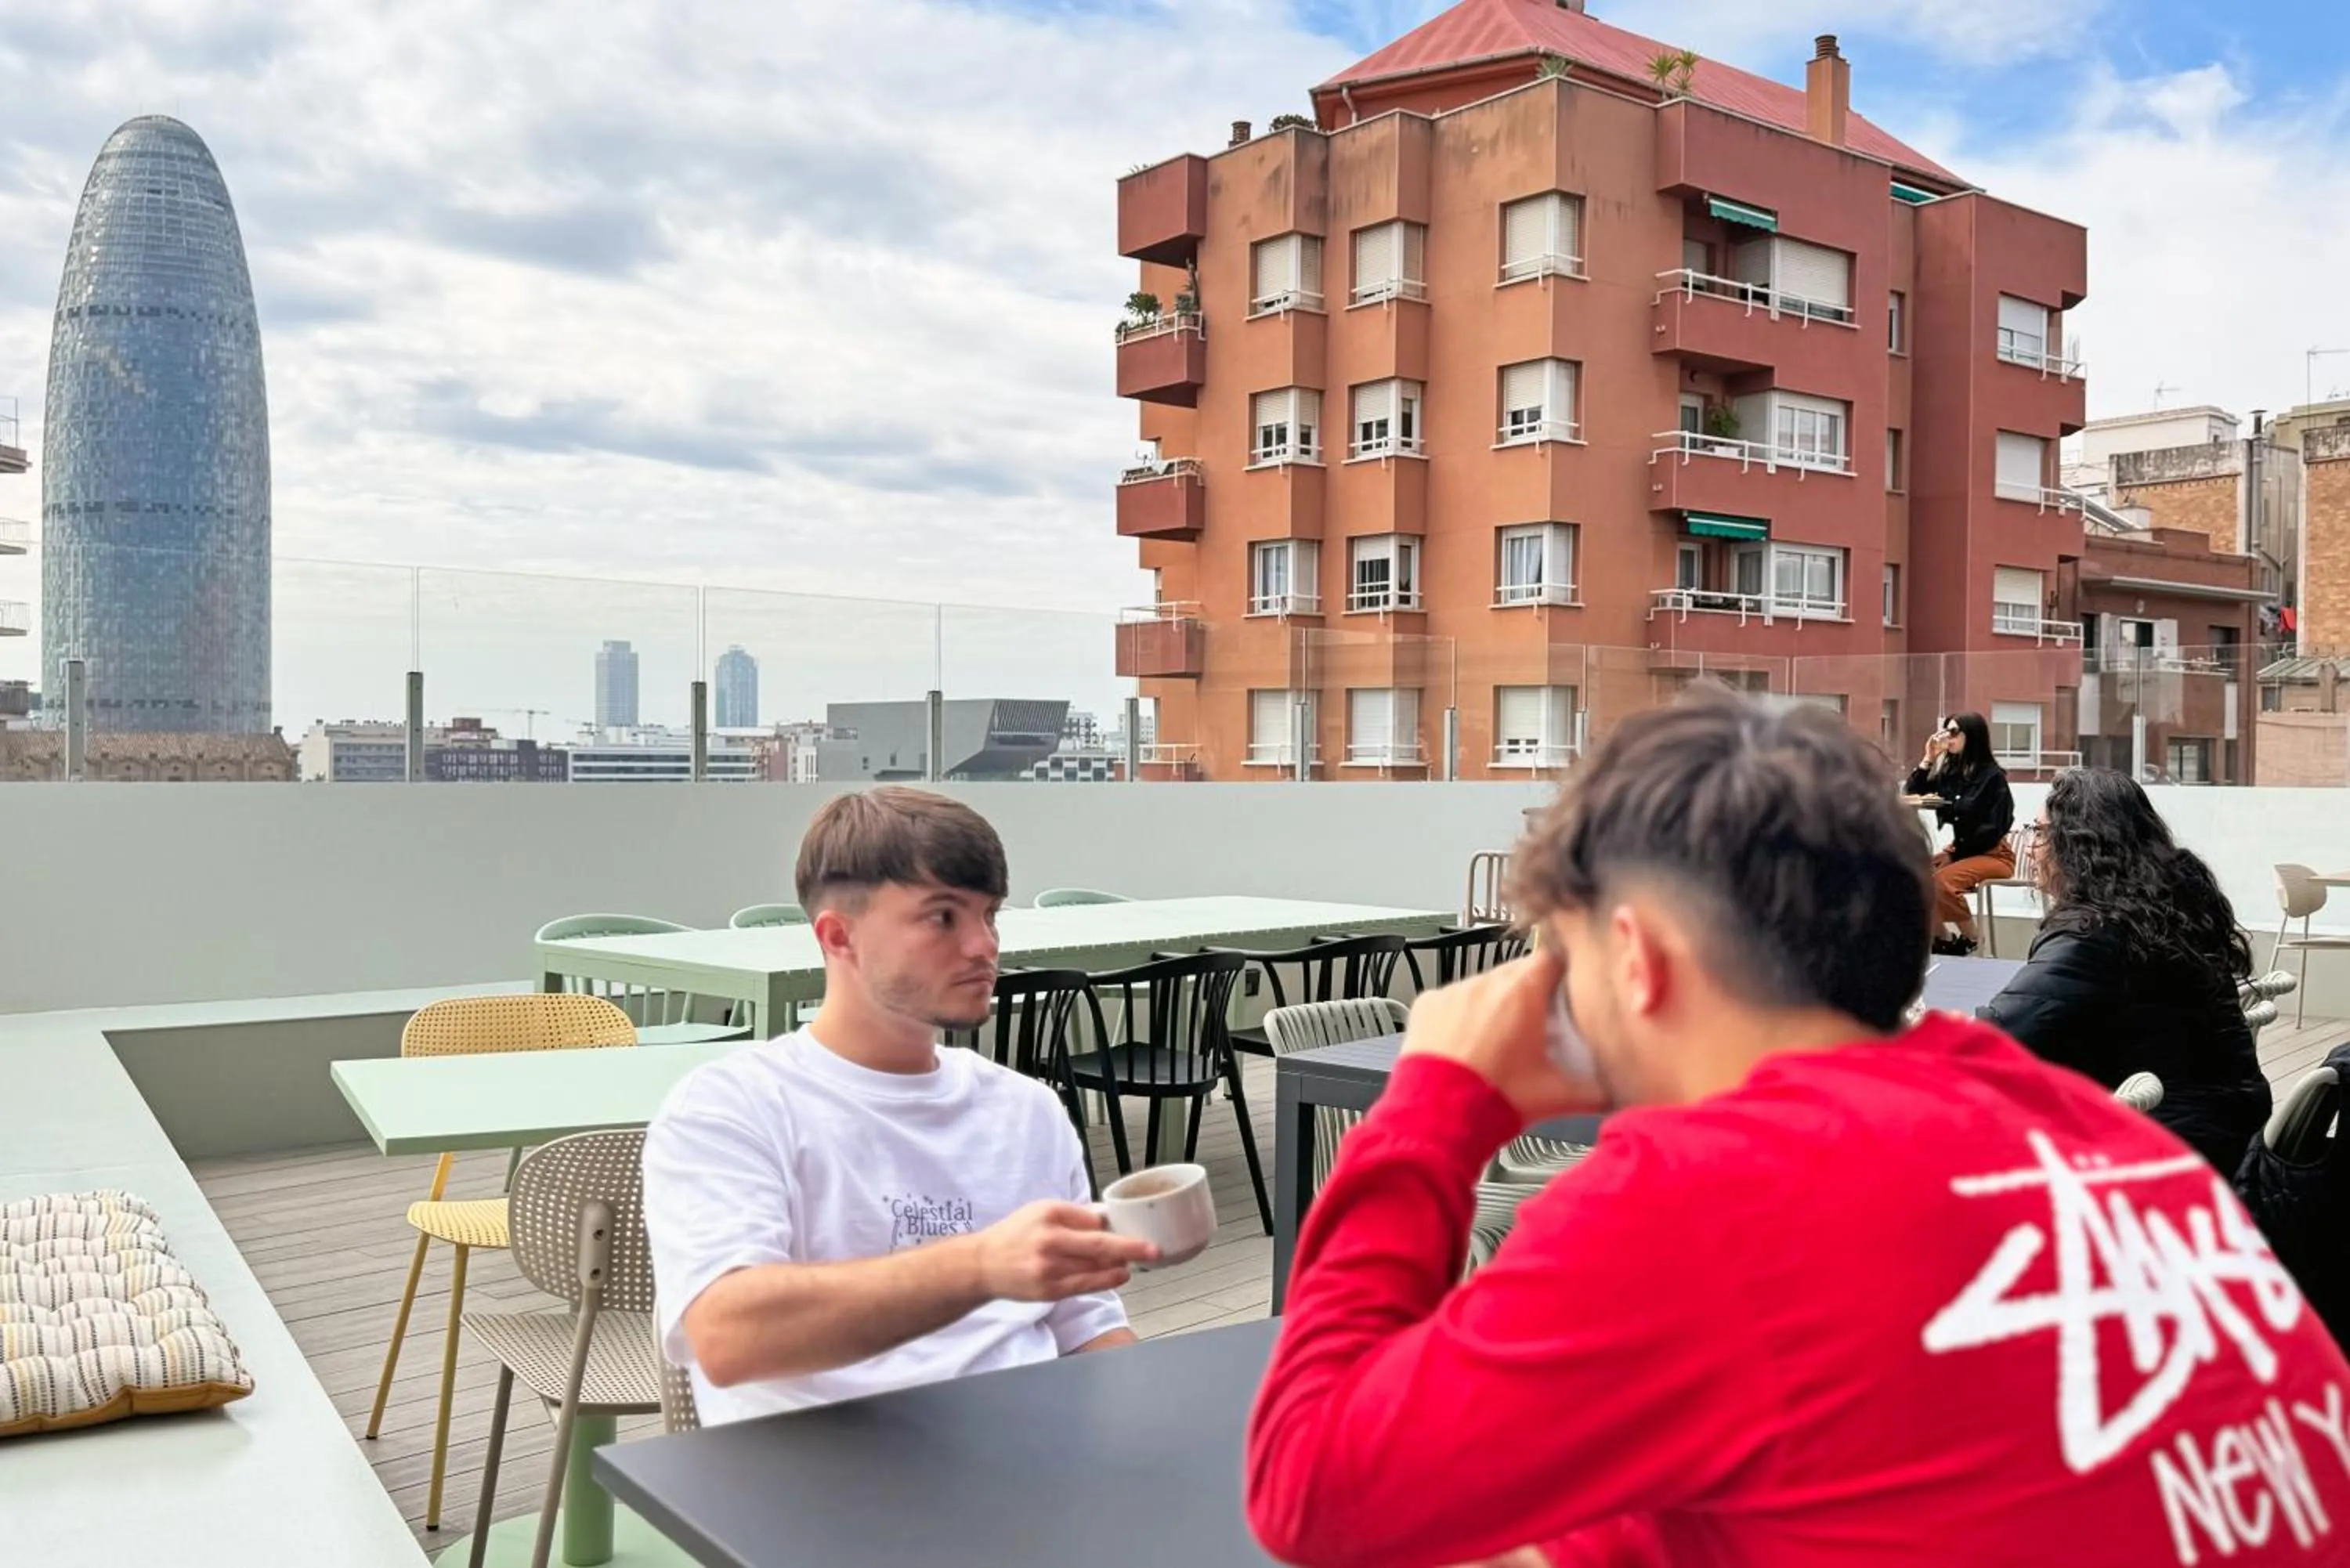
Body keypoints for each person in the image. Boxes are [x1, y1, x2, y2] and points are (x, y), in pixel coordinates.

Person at [1246, 689, 2350, 1568]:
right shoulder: (2096, 1139)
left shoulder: (1698, 1196)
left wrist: (1435, 1096)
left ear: (1633, 958)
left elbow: (1310, 1487)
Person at [642, 787, 1151, 1425]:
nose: (982, 945)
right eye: (943, 917)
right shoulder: (731, 1108)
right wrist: (982, 1265)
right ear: (839, 936)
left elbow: (1086, 1327)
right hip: (821, 1496)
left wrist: (1159, 1430)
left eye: (989, 915)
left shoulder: (1030, 1110)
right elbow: (728, 1335)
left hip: (1034, 1463)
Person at [1979, 768, 2272, 1172]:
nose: (2032, 846)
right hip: (2223, 1131)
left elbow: (1997, 1036)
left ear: (2079, 846)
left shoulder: (2092, 933)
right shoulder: (2173, 908)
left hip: (2159, 1148)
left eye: (2041, 832)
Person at [1905, 711, 2013, 955]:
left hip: (1994, 854)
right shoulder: (1951, 775)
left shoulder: (1993, 778)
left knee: (1942, 882)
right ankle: (1943, 938)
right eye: (1945, 731)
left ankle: (1973, 939)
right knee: (1915, 878)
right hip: (1962, 851)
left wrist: (1955, 854)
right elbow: (1913, 792)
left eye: (1954, 732)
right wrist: (1928, 758)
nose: (1948, 738)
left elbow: (1996, 828)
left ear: (1971, 736)